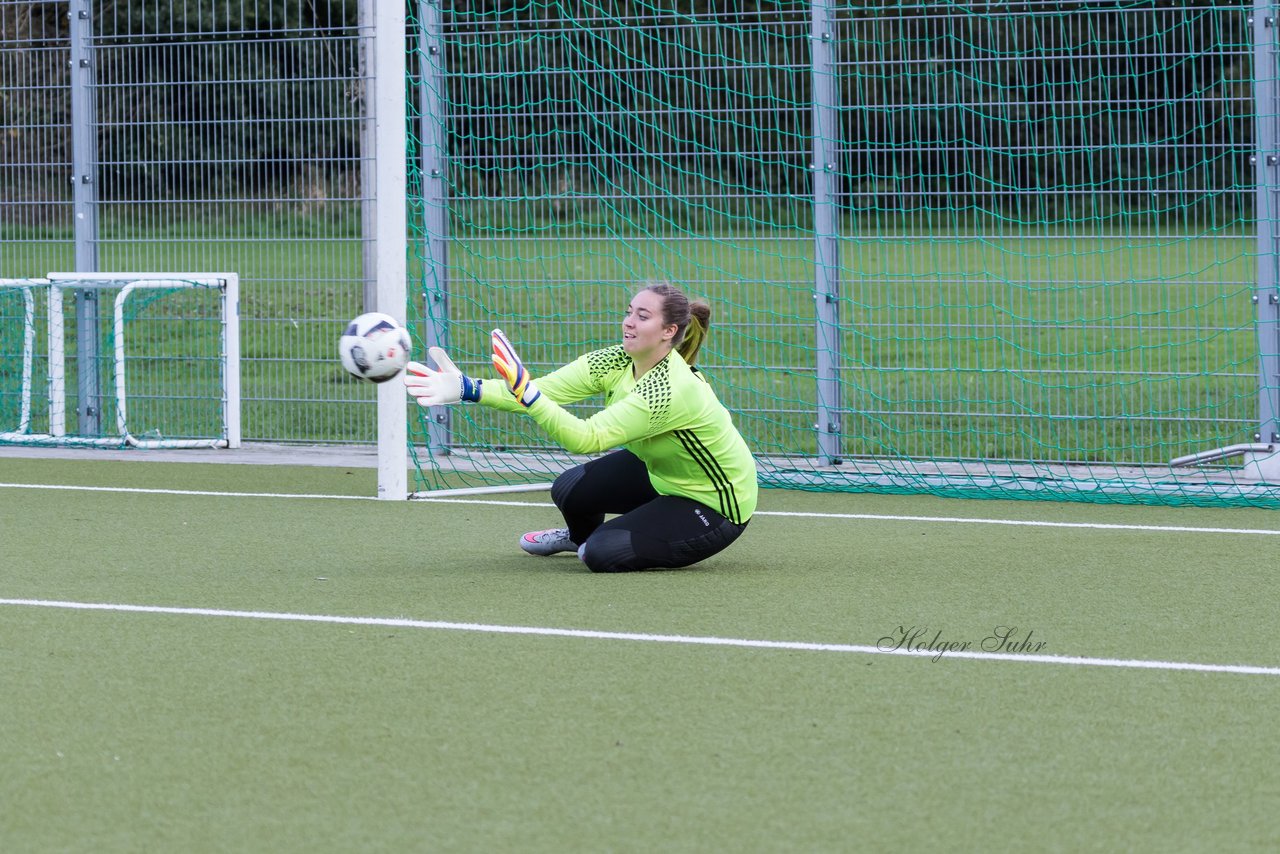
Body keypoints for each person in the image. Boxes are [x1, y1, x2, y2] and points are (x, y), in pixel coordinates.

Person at [403, 281, 758, 573]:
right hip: (662, 474)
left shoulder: (670, 389)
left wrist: (528, 394)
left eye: (643, 316)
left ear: (669, 331)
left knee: (600, 554)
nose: (629, 322)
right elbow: (544, 391)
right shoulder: (616, 359)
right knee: (569, 489)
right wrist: (469, 389)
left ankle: (593, 543)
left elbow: (586, 438)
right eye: (629, 312)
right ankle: (579, 537)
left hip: (715, 504)